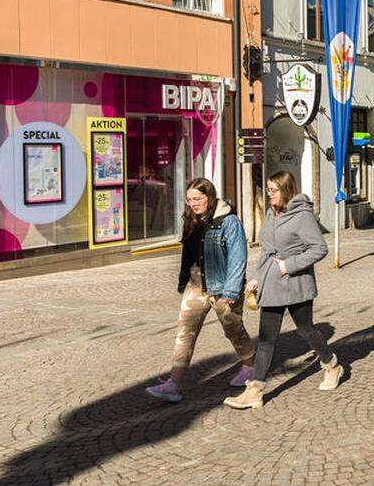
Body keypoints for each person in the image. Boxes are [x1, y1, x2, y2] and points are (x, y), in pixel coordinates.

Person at [224, 172, 341, 410]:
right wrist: (256, 277)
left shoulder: (302, 216)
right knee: (266, 339)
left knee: (306, 330)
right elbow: (267, 250)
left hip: (296, 283)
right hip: (273, 284)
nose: (269, 195)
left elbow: (319, 248)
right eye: (267, 190)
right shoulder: (271, 213)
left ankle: (331, 365)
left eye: (273, 191)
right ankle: (254, 391)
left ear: (286, 190)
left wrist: (290, 265)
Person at [146, 178, 254, 403]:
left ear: (209, 197)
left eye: (197, 199)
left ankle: (250, 366)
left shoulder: (228, 221)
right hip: (196, 286)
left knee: (233, 329)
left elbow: (238, 257)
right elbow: (188, 255)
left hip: (222, 285)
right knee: (185, 330)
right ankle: (174, 384)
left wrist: (231, 292)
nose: (192, 204)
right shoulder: (192, 220)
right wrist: (182, 280)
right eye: (189, 200)